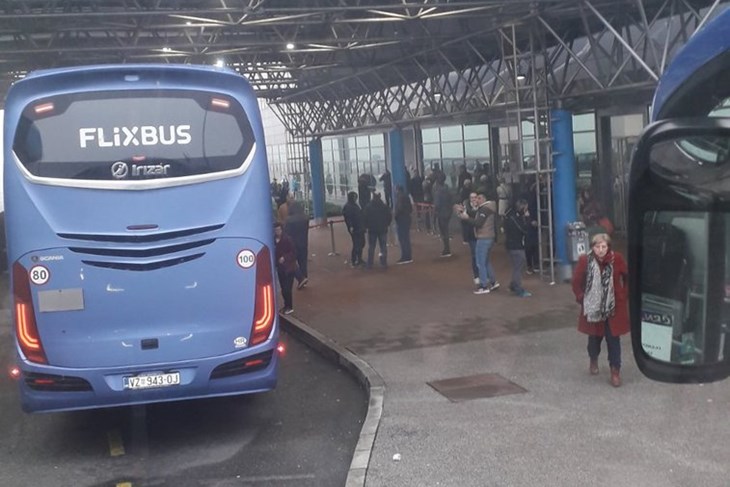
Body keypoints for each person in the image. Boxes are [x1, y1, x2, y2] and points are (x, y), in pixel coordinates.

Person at [571, 233, 629, 387]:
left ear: (608, 247)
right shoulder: (585, 260)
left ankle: (615, 371)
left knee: (613, 339)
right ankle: (593, 358)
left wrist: (623, 294)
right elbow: (576, 282)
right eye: (597, 247)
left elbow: (628, 276)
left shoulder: (617, 259)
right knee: (595, 339)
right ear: (592, 247)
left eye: (604, 246)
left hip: (613, 307)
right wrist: (582, 297)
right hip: (594, 307)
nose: (601, 250)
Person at [458, 192, 499, 294]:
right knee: (486, 261)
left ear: (484, 199)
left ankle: (484, 286)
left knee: (480, 262)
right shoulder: (489, 208)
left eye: (479, 198)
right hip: (489, 237)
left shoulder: (484, 209)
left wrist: (466, 218)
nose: (477, 200)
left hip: (483, 238)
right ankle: (493, 282)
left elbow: (478, 223)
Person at [503, 198, 532, 297]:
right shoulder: (516, 219)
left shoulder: (509, 216)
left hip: (510, 245)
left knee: (516, 266)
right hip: (516, 245)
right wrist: (527, 218)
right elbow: (524, 230)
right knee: (518, 268)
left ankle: (512, 285)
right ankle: (518, 289)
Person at [456, 191, 480, 285]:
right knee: (474, 255)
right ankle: (476, 275)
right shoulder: (466, 208)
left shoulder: (481, 207)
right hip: (471, 235)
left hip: (481, 234)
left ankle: (483, 275)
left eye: (475, 197)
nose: (474, 199)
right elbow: (463, 220)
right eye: (472, 197)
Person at [284, 200, 310, 289]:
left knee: (291, 262)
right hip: (303, 242)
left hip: (293, 244)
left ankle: (300, 278)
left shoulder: (289, 220)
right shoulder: (305, 218)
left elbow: (286, 232)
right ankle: (304, 278)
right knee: (303, 262)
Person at [363, 192, 392, 268]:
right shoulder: (384, 207)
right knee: (383, 247)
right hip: (383, 229)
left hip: (372, 230)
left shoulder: (368, 207)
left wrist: (366, 226)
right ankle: (383, 262)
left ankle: (370, 263)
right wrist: (387, 224)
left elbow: (365, 218)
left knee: (371, 247)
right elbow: (389, 216)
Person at [274, 222, 297, 315]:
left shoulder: (287, 239)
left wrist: (285, 257)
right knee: (283, 288)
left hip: (288, 268)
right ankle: (286, 305)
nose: (277, 231)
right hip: (280, 268)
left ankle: (289, 306)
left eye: (278, 230)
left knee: (287, 288)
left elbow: (294, 252)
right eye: (276, 230)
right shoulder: (273, 240)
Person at [342, 191, 365, 267]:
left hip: (360, 227)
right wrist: (351, 226)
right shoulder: (348, 207)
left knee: (361, 243)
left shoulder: (355, 205)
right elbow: (348, 218)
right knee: (356, 244)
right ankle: (354, 259)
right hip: (355, 228)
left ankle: (359, 258)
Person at [432, 173, 453, 257]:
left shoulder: (438, 191)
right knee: (446, 230)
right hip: (448, 211)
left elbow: (437, 204)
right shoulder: (447, 188)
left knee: (444, 231)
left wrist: (434, 214)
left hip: (441, 212)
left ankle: (447, 249)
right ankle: (447, 248)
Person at [394, 185, 413, 264]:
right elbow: (411, 209)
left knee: (402, 239)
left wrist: (395, 216)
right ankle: (408, 255)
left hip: (402, 219)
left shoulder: (400, 198)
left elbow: (399, 208)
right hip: (407, 218)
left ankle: (405, 256)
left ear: (397, 190)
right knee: (406, 238)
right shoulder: (407, 197)